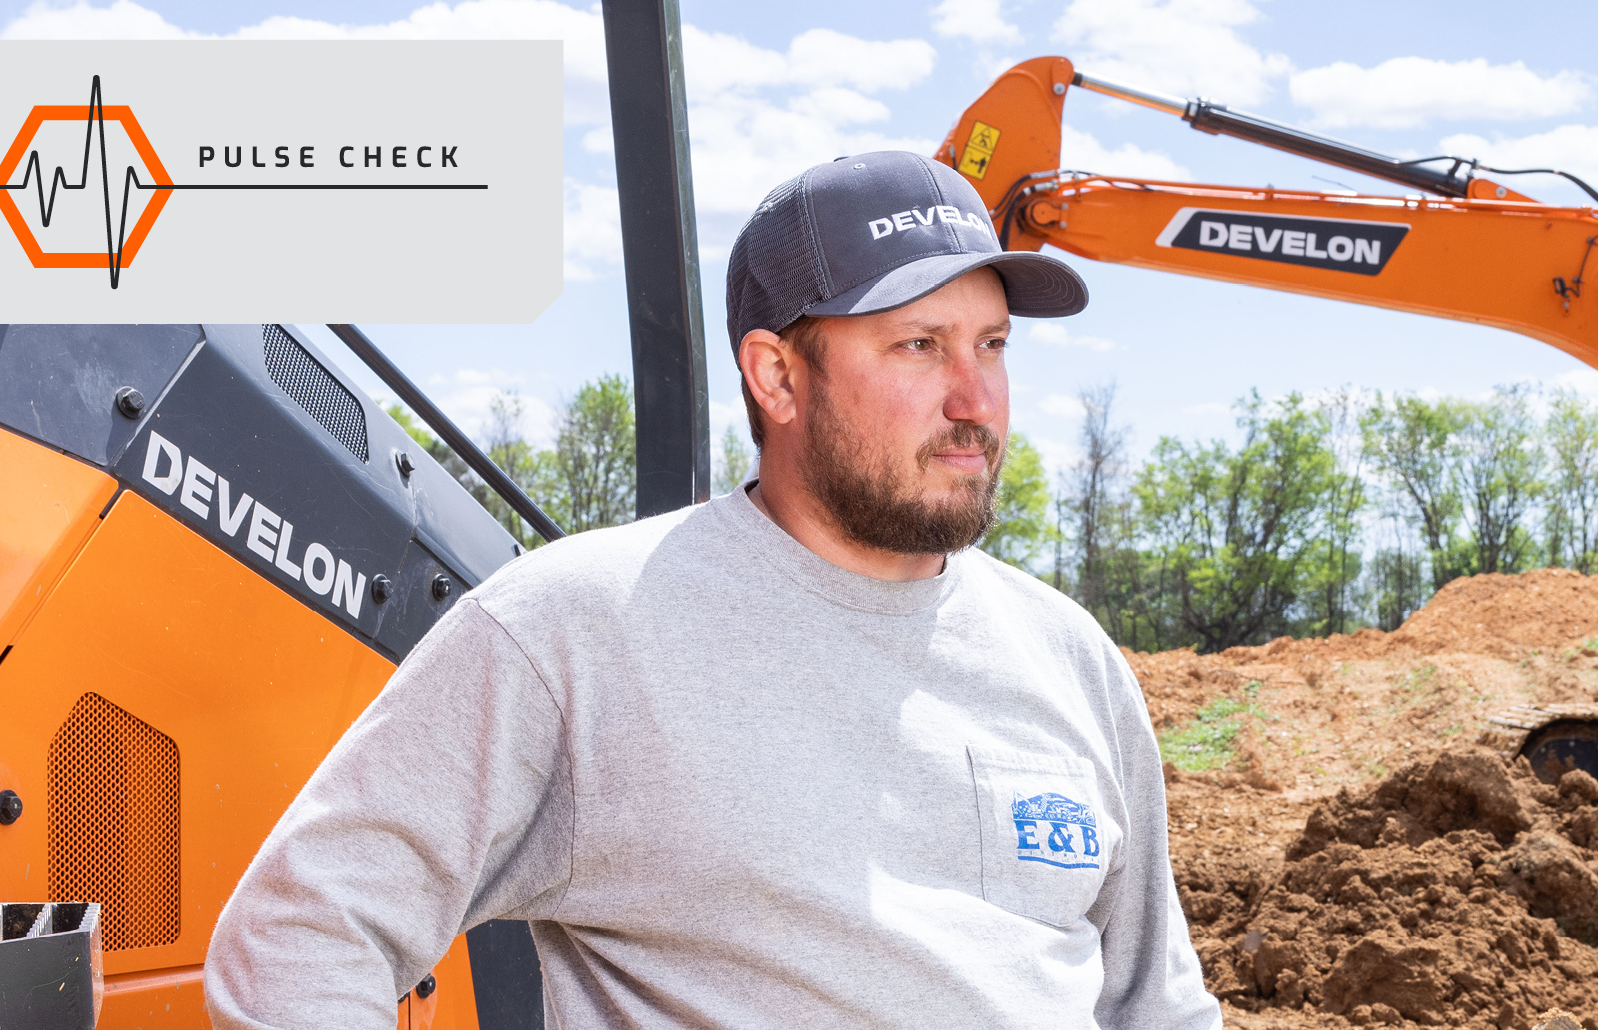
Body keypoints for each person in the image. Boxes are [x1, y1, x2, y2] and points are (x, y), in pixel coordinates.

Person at [206, 150, 1221, 1030]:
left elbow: (1154, 1004)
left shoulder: (1069, 656)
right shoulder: (576, 629)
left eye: (992, 345)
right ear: (777, 378)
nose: (975, 399)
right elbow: (303, 933)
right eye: (919, 345)